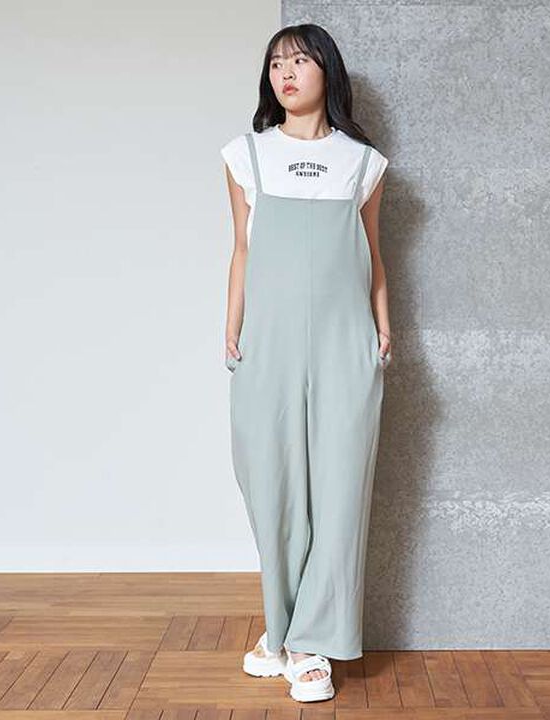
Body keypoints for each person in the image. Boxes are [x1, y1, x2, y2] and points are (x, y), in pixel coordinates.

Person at [220, 23, 392, 703]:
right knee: (271, 480)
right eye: (275, 63)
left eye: (298, 60)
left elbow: (374, 254)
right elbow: (242, 249)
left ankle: (311, 642)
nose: (285, 73)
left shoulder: (363, 163)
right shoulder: (246, 156)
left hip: (347, 340)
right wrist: (231, 326)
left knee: (341, 486)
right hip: (268, 340)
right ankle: (283, 625)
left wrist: (383, 327)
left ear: (328, 71)